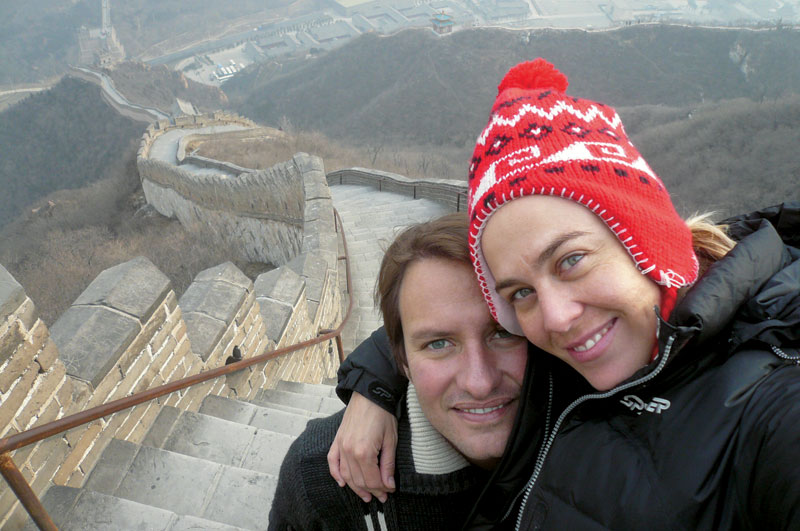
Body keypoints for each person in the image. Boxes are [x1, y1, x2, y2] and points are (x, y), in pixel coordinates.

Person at [329, 58, 800, 529]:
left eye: (571, 261)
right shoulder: (587, 349)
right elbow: (440, 311)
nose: (554, 319)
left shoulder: (774, 404)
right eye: (519, 294)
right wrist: (376, 380)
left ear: (647, 239)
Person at [268, 213, 530, 530]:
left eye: (503, 333)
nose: (480, 383)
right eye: (439, 344)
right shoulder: (316, 479)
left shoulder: (594, 423)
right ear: (401, 360)